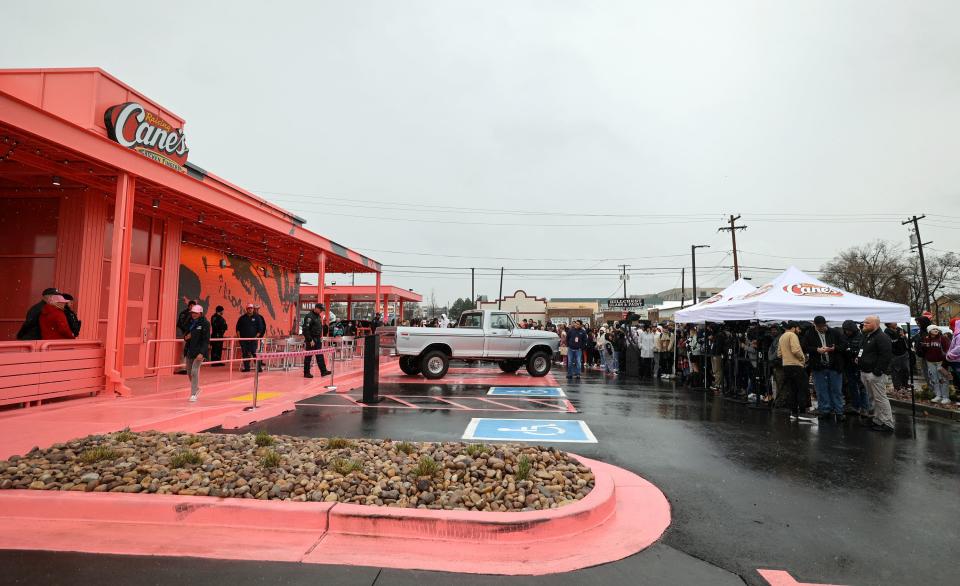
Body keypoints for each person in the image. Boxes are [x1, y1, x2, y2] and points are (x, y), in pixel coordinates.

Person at [802, 316, 846, 420]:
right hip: (819, 366)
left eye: (823, 326)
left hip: (834, 366)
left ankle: (839, 411)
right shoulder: (809, 333)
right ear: (815, 325)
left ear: (826, 324)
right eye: (819, 327)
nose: (822, 328)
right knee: (821, 389)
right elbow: (804, 347)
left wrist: (834, 348)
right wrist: (816, 350)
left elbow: (844, 345)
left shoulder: (835, 332)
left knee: (836, 390)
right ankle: (825, 410)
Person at [858, 315, 895, 432]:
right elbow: (863, 350)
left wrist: (877, 371)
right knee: (873, 398)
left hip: (875, 374)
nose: (864, 324)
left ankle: (888, 423)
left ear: (876, 324)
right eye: (864, 322)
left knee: (880, 398)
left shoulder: (882, 337)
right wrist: (859, 358)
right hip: (865, 371)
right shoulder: (867, 335)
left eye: (867, 323)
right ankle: (878, 420)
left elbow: (886, 355)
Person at [779, 321, 813, 423]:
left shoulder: (782, 337)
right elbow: (795, 350)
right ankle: (802, 412)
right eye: (798, 328)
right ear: (794, 328)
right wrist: (803, 358)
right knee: (802, 388)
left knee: (792, 389)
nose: (799, 330)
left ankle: (793, 412)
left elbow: (779, 354)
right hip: (796, 365)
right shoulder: (792, 335)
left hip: (786, 365)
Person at [182, 304, 210, 402]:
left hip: (199, 351)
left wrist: (202, 353)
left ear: (200, 313)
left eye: (196, 313)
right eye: (192, 313)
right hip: (190, 350)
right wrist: (186, 337)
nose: (193, 314)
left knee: (194, 371)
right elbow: (185, 333)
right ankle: (197, 388)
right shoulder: (190, 322)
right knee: (189, 372)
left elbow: (206, 340)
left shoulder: (205, 323)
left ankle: (193, 393)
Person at [917, 324, 951, 404]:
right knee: (934, 379)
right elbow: (923, 351)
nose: (936, 330)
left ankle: (945, 397)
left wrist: (945, 362)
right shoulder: (926, 339)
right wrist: (923, 347)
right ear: (929, 331)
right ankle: (938, 395)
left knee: (943, 379)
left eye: (937, 329)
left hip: (941, 362)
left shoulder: (943, 338)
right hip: (930, 362)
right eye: (933, 329)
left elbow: (947, 350)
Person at [302, 303, 332, 378]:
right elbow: (305, 330)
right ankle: (306, 373)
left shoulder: (318, 316)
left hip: (318, 339)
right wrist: (310, 340)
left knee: (320, 356)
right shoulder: (309, 316)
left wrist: (320, 337)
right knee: (308, 356)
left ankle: (323, 371)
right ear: (316, 308)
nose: (321, 311)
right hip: (311, 339)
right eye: (321, 310)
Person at [236, 303, 263, 372]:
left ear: (253, 309)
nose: (250, 309)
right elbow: (237, 329)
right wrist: (240, 339)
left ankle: (258, 368)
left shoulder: (257, 318)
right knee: (245, 354)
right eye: (249, 308)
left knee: (254, 353)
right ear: (246, 309)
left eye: (251, 308)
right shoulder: (242, 318)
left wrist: (256, 337)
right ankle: (247, 368)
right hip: (244, 340)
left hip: (253, 340)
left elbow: (260, 329)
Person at [884, 323, 910, 392]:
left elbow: (906, 339)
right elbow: (891, 342)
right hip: (894, 355)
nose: (895, 323)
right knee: (896, 371)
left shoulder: (900, 329)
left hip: (904, 353)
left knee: (906, 369)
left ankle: (905, 384)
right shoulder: (887, 332)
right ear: (889, 324)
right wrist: (899, 337)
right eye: (893, 321)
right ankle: (897, 387)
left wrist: (903, 336)